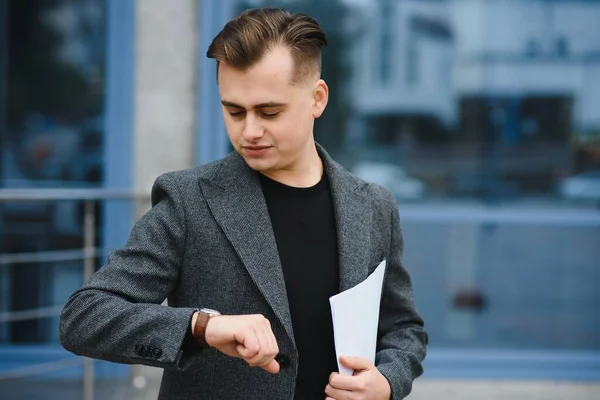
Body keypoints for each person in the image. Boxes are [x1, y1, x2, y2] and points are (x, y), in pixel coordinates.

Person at [59, 7, 427, 400]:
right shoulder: (188, 200)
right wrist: (201, 327)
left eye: (270, 112)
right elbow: (83, 317)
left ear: (317, 98)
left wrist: (387, 382)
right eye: (234, 111)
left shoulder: (374, 207)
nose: (249, 131)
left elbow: (403, 329)